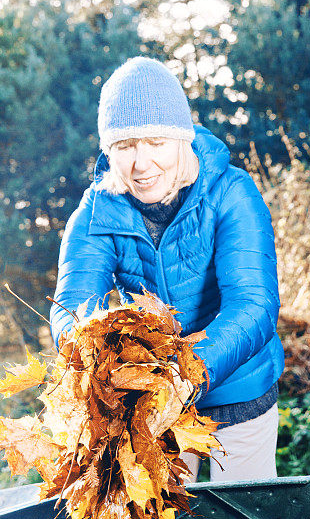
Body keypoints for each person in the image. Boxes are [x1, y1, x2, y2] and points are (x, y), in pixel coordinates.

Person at [50, 55, 285, 483]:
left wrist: (183, 374)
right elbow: (71, 307)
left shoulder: (232, 193)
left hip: (237, 388)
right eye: (125, 146)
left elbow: (254, 305)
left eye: (155, 142)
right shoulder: (95, 211)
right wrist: (106, 367)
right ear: (108, 151)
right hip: (151, 402)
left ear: (182, 138)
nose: (141, 164)